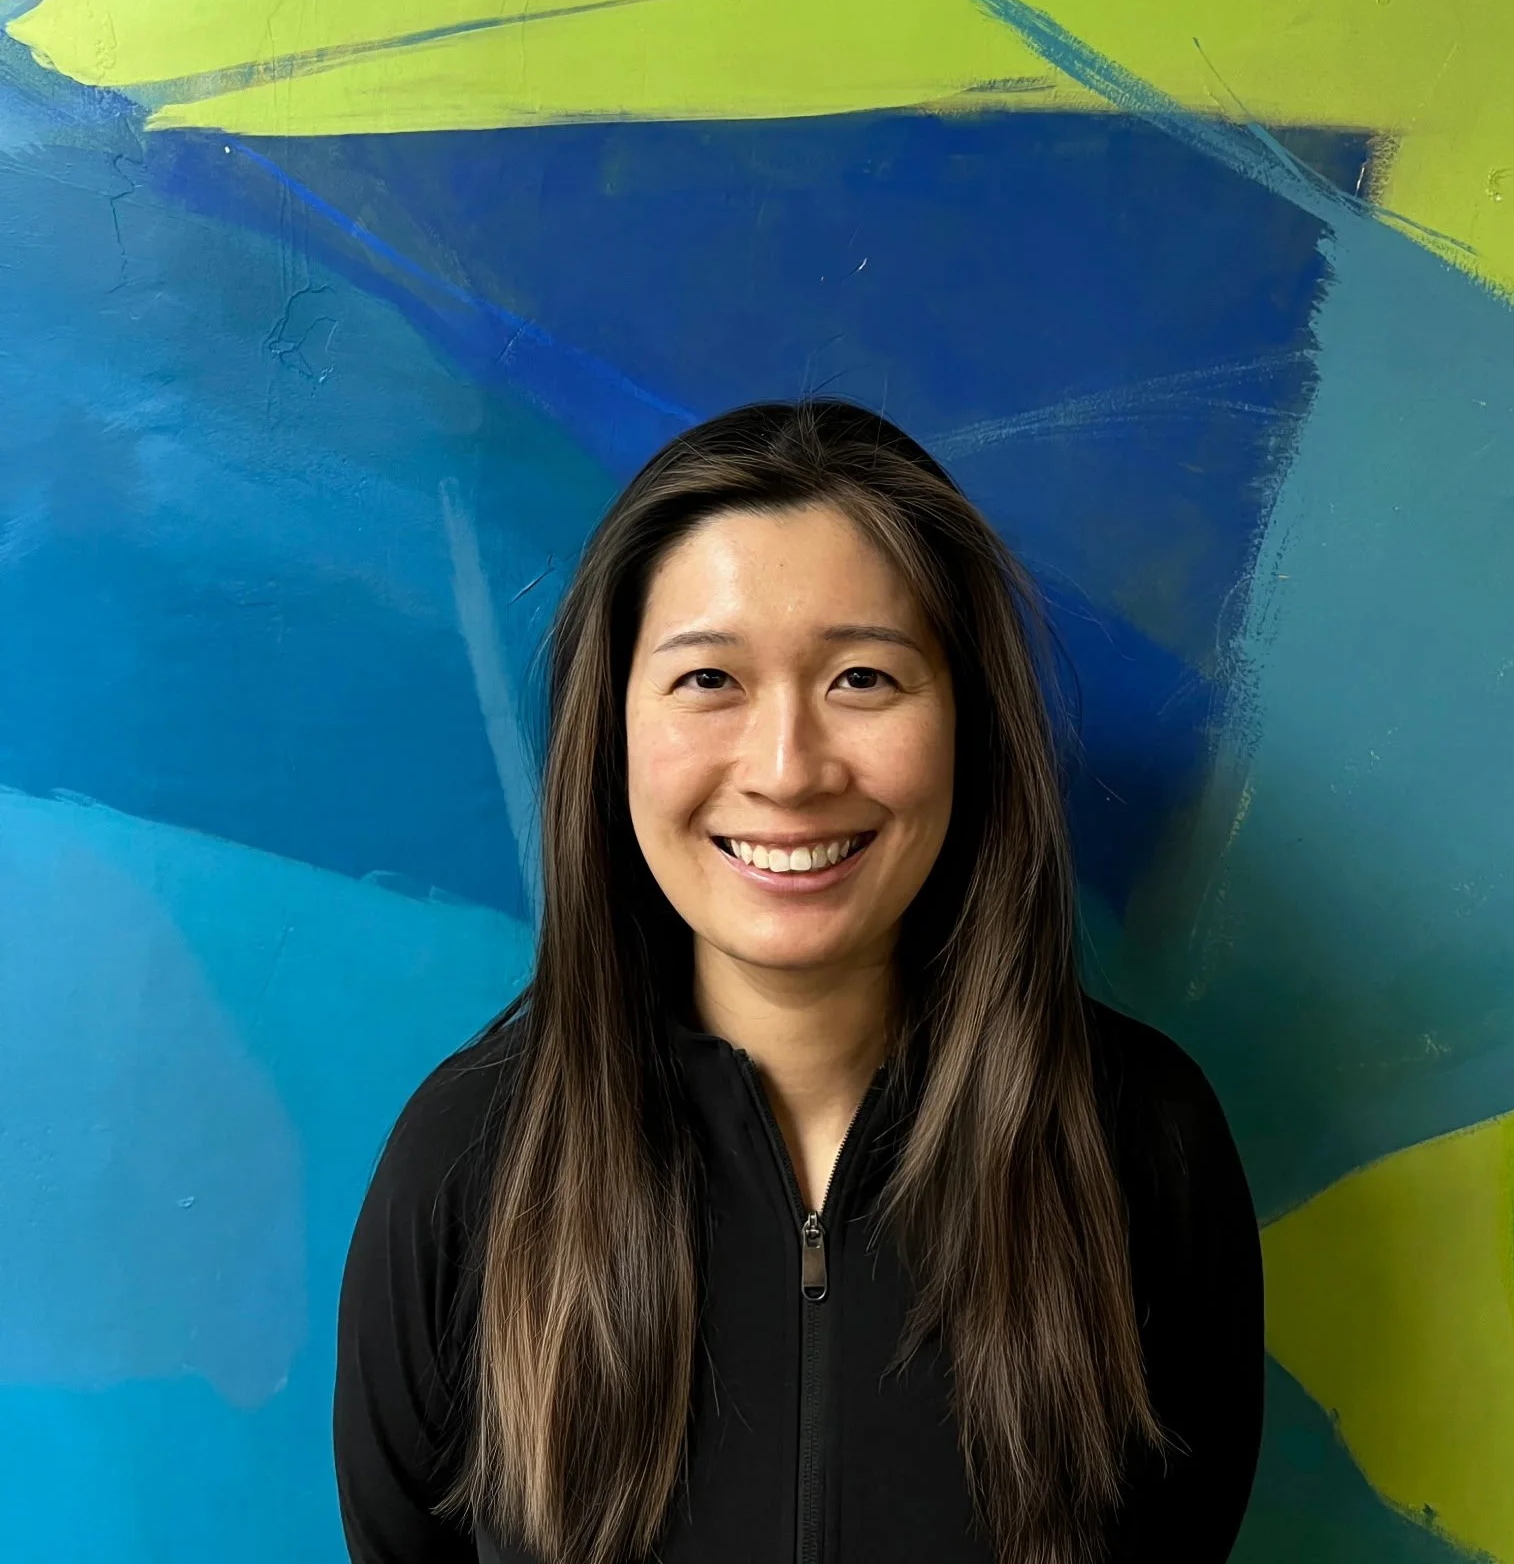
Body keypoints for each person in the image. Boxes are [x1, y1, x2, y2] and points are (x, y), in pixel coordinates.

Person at [333, 398, 1264, 1564]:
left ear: (968, 724)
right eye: (708, 678)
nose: (786, 769)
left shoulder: (1145, 1142)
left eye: (863, 677)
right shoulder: (469, 1158)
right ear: (611, 729)